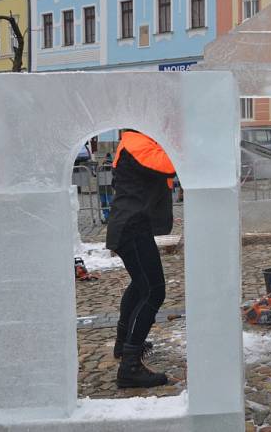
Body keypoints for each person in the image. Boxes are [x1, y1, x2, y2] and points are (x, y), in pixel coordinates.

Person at [105, 130, 175, 388]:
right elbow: (169, 164)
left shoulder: (139, 141)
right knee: (153, 292)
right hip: (131, 227)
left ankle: (124, 345)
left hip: (133, 226)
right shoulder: (136, 142)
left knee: (139, 286)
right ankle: (130, 366)